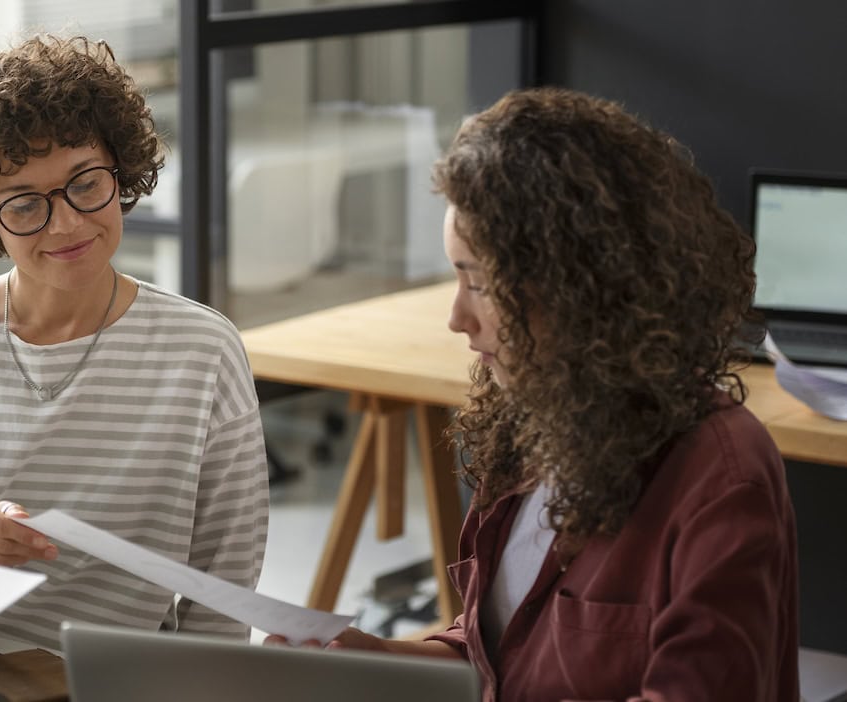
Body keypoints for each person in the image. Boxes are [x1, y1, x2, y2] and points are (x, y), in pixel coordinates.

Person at [269, 87, 799, 701]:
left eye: (480, 282)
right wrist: (380, 662)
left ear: (577, 287)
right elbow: (499, 655)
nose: (456, 318)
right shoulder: (534, 425)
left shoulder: (722, 478)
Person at [0, 35, 269, 651]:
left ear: (120, 168)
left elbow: (222, 593)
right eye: (24, 203)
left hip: (117, 680)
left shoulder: (201, 350)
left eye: (85, 184)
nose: (66, 223)